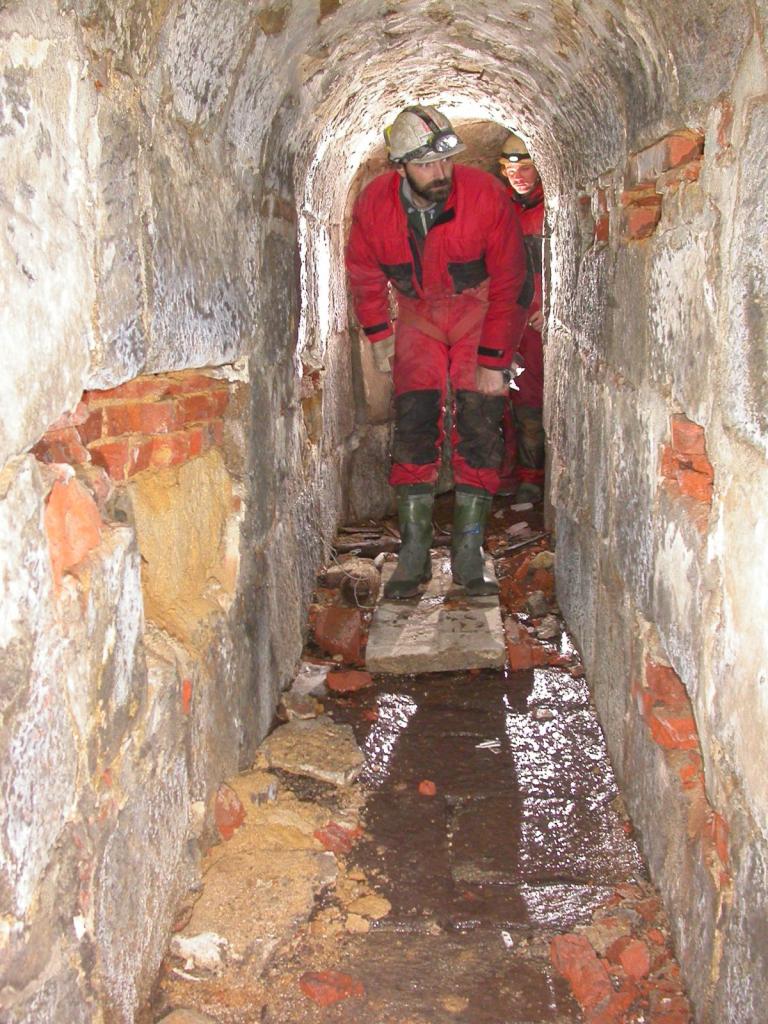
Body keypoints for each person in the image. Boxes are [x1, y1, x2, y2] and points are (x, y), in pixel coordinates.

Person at [345, 105, 531, 599]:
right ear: (400, 166)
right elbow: (364, 273)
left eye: (446, 161)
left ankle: (469, 551)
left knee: (479, 424)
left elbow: (513, 279)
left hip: (476, 311)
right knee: (414, 422)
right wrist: (380, 335)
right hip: (418, 317)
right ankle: (414, 553)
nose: (441, 173)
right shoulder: (375, 204)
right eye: (427, 165)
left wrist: (494, 361)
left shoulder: (484, 195)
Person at [497, 131, 546, 504]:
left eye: (526, 168)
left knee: (530, 397)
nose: (519, 177)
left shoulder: (549, 209)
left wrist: (553, 305)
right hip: (508, 318)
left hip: (535, 320)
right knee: (503, 396)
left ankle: (532, 476)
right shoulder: (502, 210)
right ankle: (510, 473)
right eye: (512, 170)